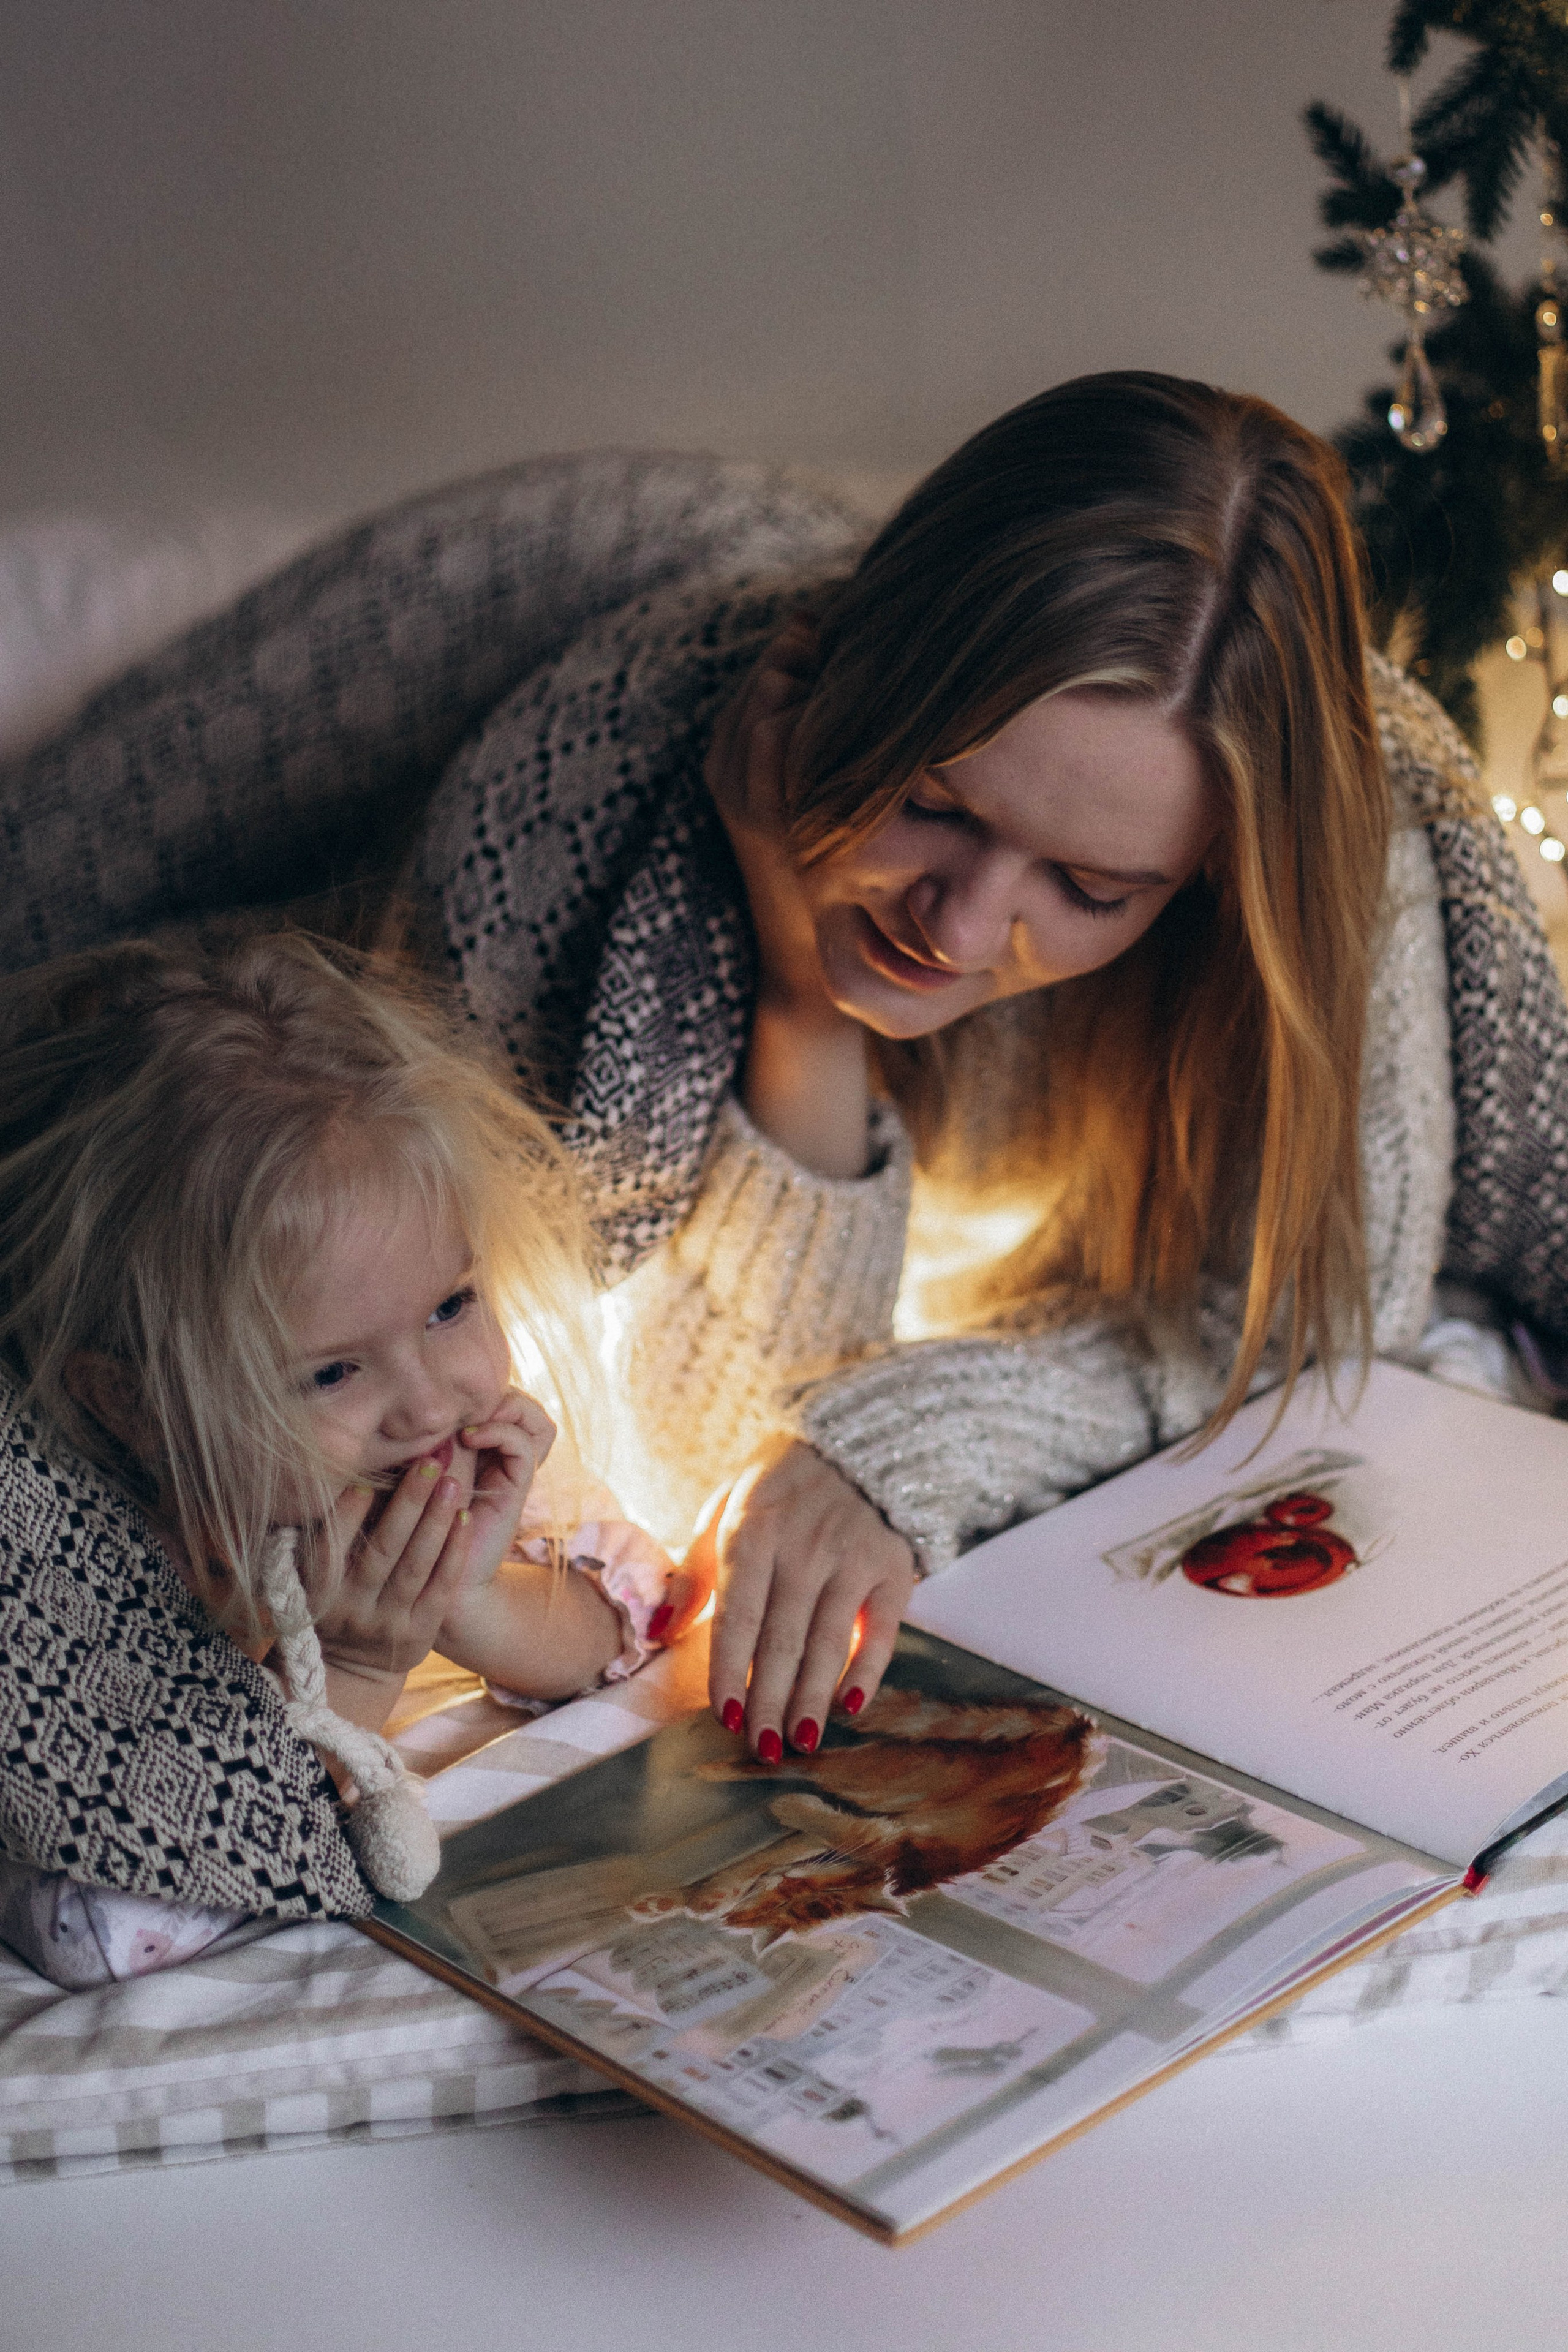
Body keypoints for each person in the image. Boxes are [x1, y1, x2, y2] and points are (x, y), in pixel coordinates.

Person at [6, 379, 1566, 1778]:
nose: (956, 927)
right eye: (931, 799)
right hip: (500, 641)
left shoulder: (1361, 863)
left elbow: (1298, 1317)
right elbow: (670, 1440)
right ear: (852, 690)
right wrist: (799, 989)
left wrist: (902, 1441)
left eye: (1091, 890)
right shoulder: (620, 761)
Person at [0, 930, 696, 1986]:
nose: (427, 1403)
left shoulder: (435, 1450)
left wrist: (474, 1602)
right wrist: (361, 1675)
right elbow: (97, 1925)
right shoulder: (73, 1562)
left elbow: (638, 1610)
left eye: (452, 1305)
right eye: (329, 1374)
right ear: (136, 1404)